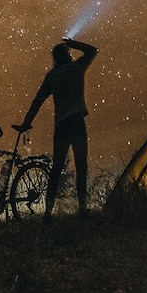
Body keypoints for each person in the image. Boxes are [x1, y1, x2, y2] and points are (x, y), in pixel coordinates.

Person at [13, 37, 98, 220]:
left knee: (56, 169)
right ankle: (82, 209)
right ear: (67, 55)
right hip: (77, 123)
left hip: (61, 126)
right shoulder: (76, 69)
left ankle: (48, 212)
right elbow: (93, 51)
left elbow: (37, 101)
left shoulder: (52, 77)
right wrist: (73, 43)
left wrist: (26, 123)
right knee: (81, 166)